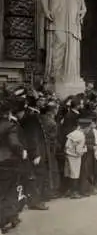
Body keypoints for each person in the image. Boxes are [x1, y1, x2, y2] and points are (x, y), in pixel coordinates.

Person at [0, 98, 27, 234]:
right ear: (8, 112)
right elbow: (14, 144)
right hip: (7, 162)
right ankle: (4, 221)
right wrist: (23, 151)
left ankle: (11, 217)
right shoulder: (10, 126)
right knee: (8, 192)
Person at [21, 91, 49, 210]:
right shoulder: (31, 116)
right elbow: (32, 136)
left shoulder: (33, 114)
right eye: (40, 100)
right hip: (35, 151)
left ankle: (36, 199)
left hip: (38, 149)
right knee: (37, 175)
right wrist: (35, 153)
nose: (43, 102)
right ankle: (35, 201)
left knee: (38, 175)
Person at [39, 100, 60, 199]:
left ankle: (45, 191)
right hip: (49, 149)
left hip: (40, 147)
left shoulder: (41, 118)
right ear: (53, 110)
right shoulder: (52, 122)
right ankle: (49, 192)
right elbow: (53, 139)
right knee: (51, 170)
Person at [64, 117, 87, 199]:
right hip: (75, 156)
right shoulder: (81, 136)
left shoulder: (73, 133)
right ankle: (74, 192)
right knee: (75, 174)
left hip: (67, 154)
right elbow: (79, 150)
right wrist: (85, 150)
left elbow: (67, 145)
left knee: (69, 173)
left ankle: (69, 190)